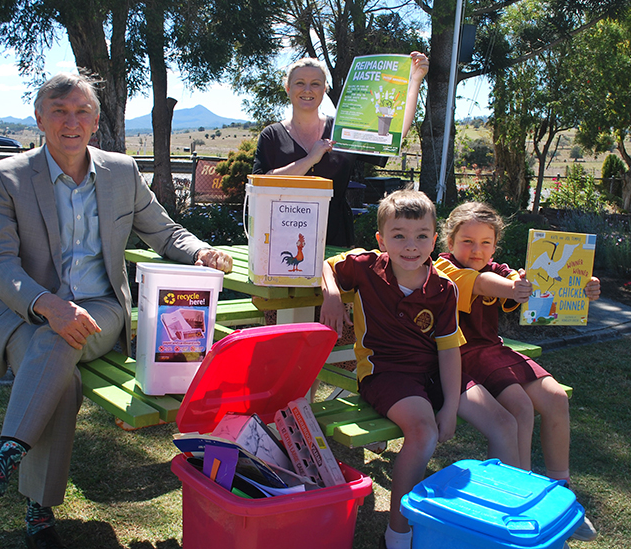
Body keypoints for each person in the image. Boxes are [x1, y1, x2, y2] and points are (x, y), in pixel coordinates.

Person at [0, 72, 232, 549]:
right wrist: (48, 304)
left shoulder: (121, 172)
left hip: (100, 310)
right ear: (39, 119)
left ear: (96, 121)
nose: (70, 122)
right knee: (63, 375)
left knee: (63, 336)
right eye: (59, 111)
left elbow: (164, 232)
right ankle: (37, 513)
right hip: (25, 313)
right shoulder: (6, 178)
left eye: (81, 112)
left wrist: (200, 252)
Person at [319, 190, 520, 549]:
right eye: (399, 236)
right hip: (385, 373)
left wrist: (452, 407)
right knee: (424, 432)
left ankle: (501, 525)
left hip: (433, 373)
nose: (411, 246)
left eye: (421, 236)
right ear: (381, 240)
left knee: (505, 423)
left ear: (434, 238)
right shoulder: (365, 267)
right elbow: (328, 266)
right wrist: (332, 294)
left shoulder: (444, 288)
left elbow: (447, 352)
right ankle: (398, 534)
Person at [435, 201, 601, 544]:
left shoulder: (502, 269)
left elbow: (528, 285)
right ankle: (520, 503)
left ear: (495, 246)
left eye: (485, 243)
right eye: (467, 241)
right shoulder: (444, 269)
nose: (476, 250)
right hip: (460, 354)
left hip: (492, 350)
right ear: (449, 243)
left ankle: (563, 494)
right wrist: (513, 288)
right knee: (520, 409)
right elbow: (482, 285)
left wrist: (578, 286)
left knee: (556, 398)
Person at [252, 53, 429, 248]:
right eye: (300, 83)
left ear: (325, 89)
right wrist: (310, 159)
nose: (308, 90)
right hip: (280, 234)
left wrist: (415, 80)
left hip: (335, 236)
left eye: (316, 84)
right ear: (288, 88)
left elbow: (394, 134)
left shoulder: (343, 131)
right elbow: (262, 184)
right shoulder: (272, 135)